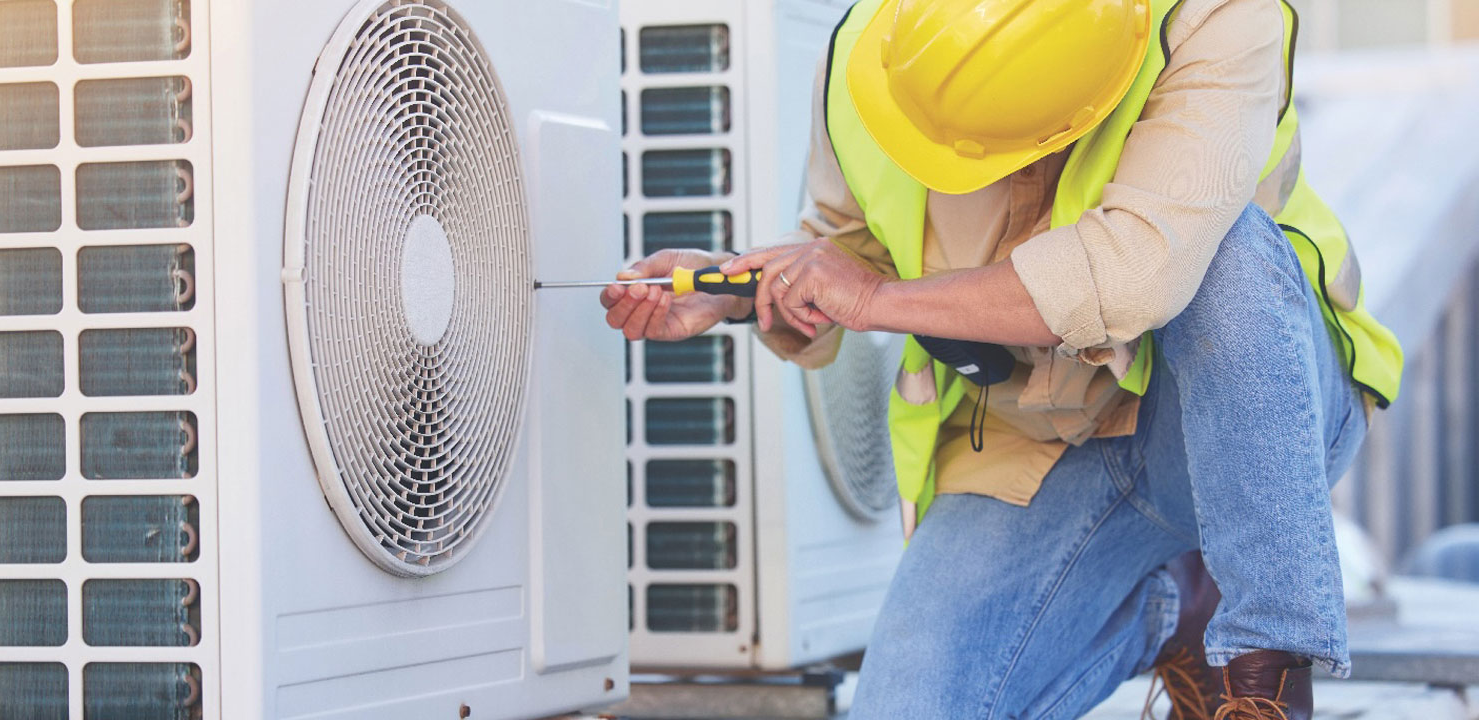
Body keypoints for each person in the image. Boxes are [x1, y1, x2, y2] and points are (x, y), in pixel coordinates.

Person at [601, 0, 1403, 718]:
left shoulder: (1215, 18)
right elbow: (848, 253)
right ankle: (1174, 607)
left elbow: (1129, 276)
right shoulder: (865, 57)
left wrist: (875, 301)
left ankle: (1264, 671)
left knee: (1229, 254)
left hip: (1231, 425)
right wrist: (739, 290)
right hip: (1038, 439)